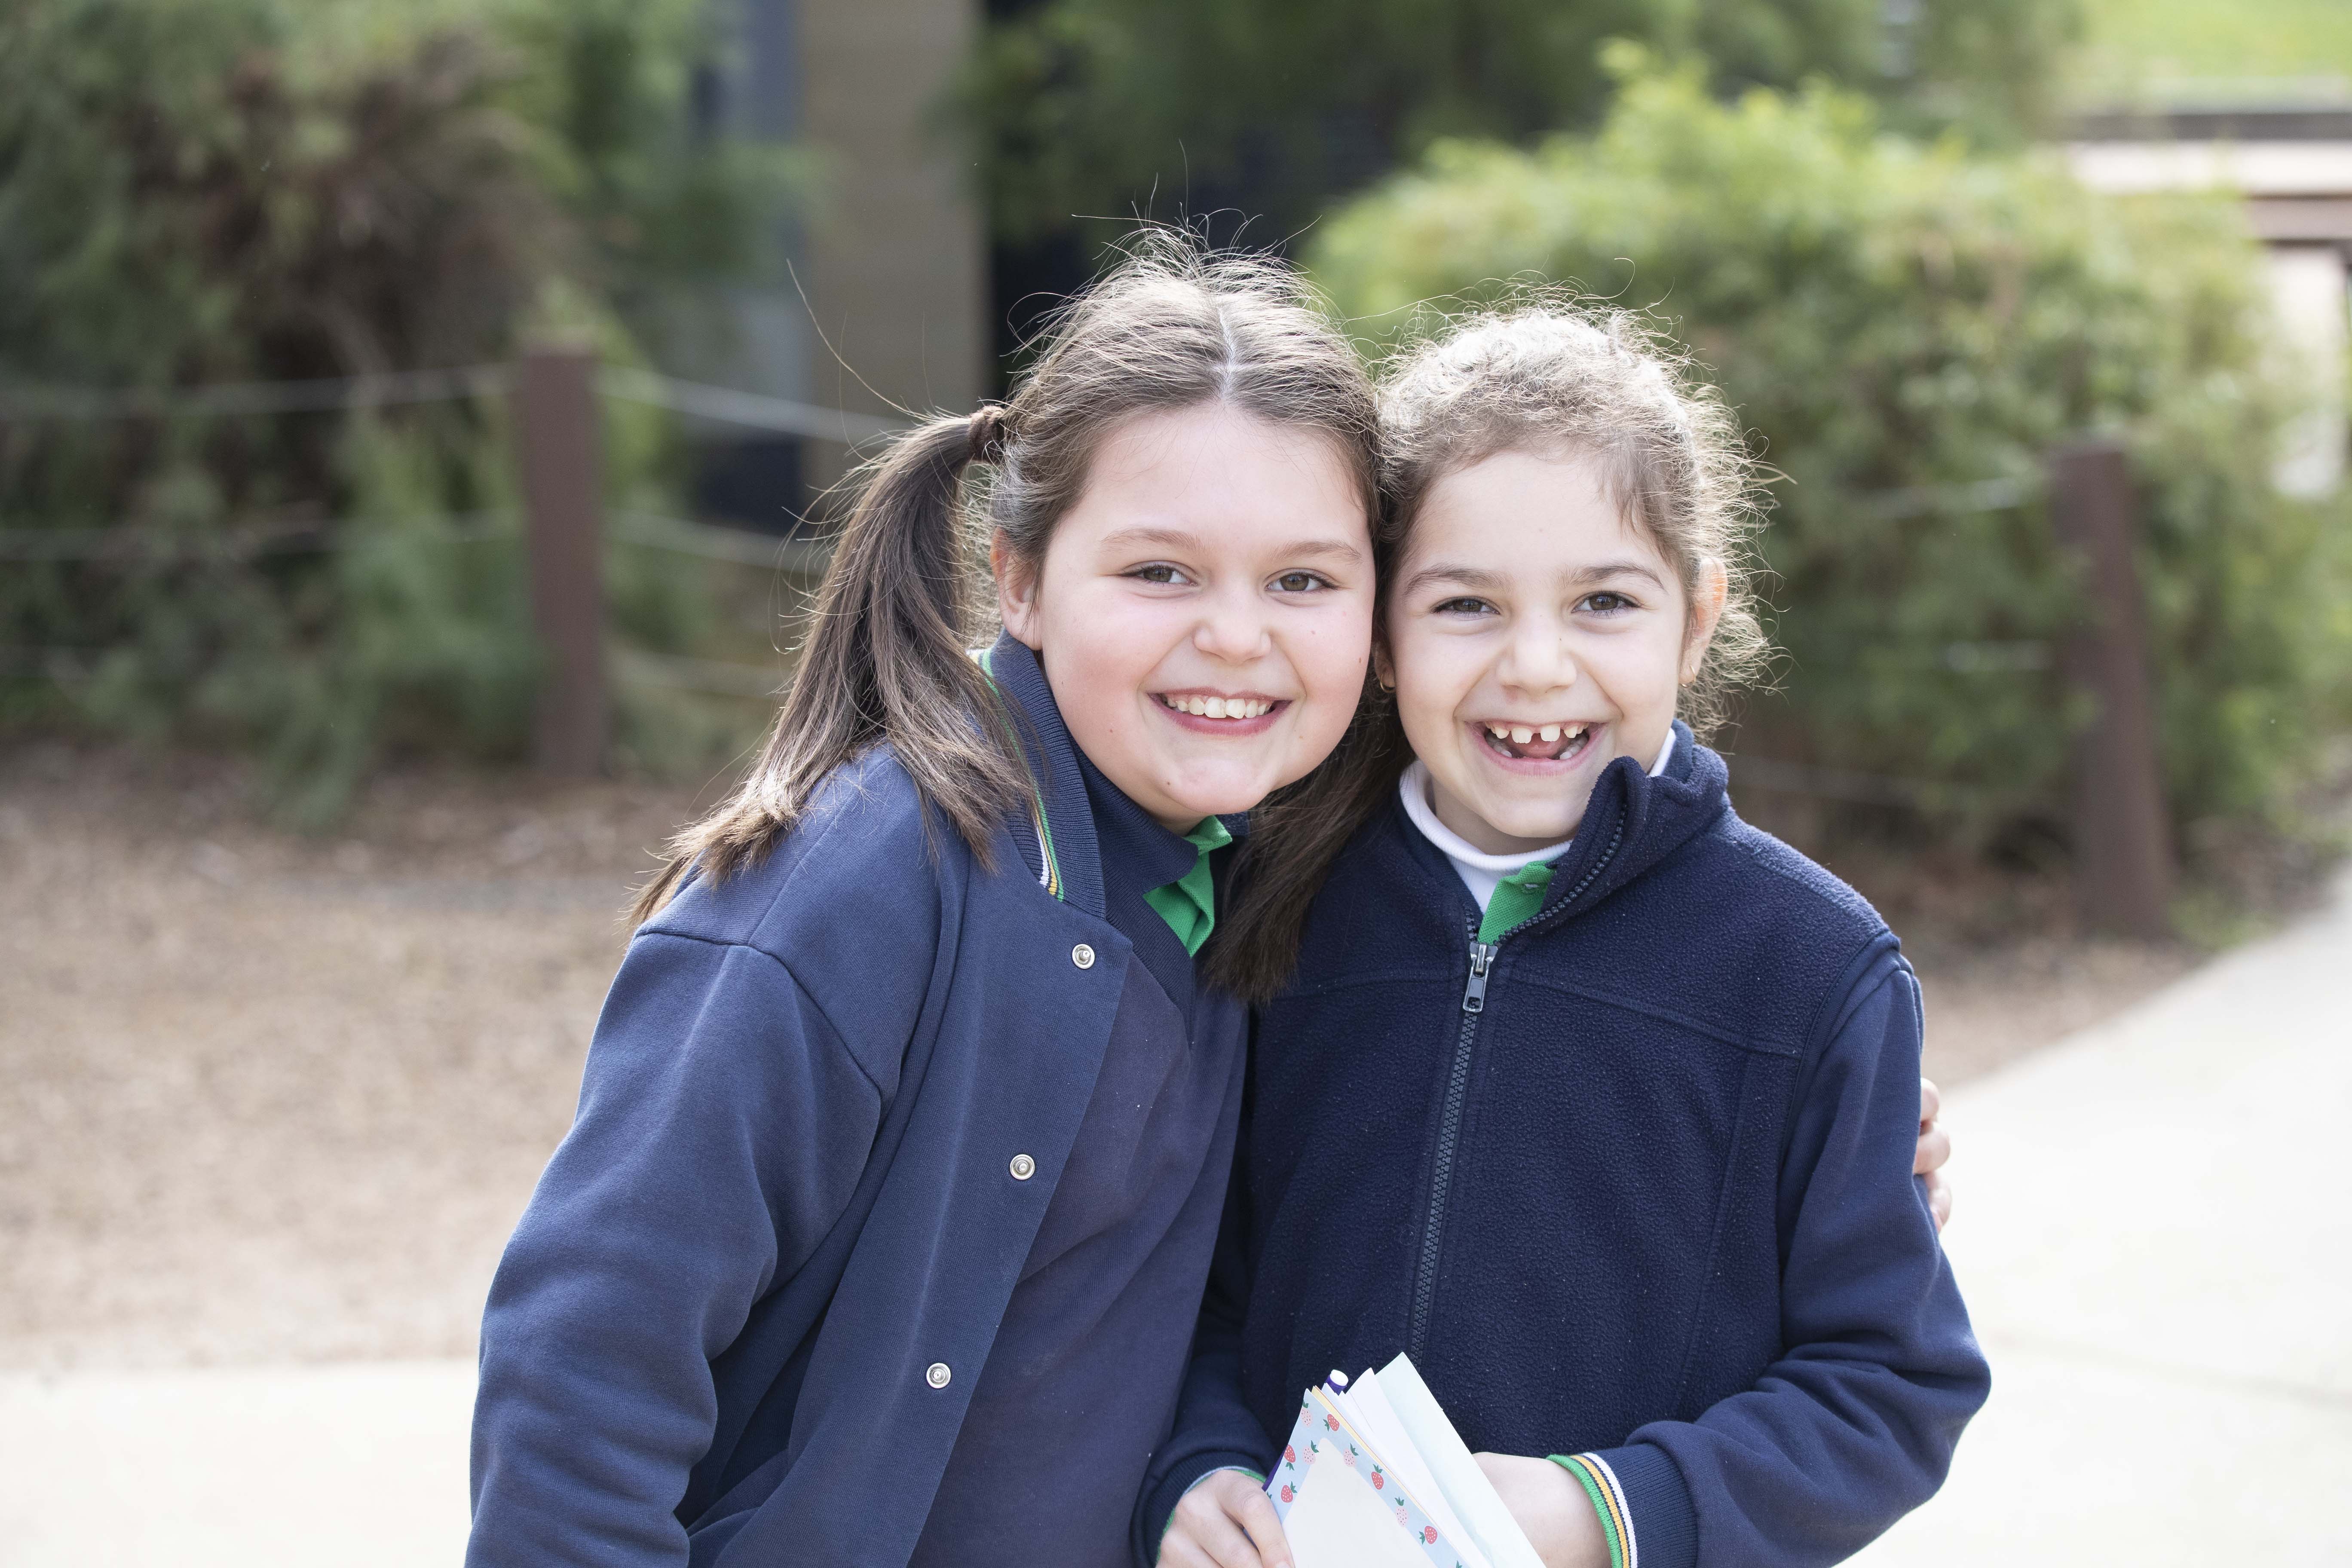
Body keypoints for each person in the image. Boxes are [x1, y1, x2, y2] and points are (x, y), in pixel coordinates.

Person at [465, 242, 1389, 1567]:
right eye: (1160, 573)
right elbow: (586, 1357)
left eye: (1303, 580)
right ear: (1017, 577)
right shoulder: (867, 879)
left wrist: (1194, 1460)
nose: (1238, 636)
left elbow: (1145, 1306)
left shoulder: (1245, 867)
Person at [1150, 306, 1990, 1568]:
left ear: (1696, 618)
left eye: (1604, 602)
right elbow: (1192, 1278)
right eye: (1466, 607)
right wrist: (1197, 1464)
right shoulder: (1278, 901)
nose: (1537, 667)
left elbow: (1891, 1387)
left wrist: (1610, 1511)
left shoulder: (1811, 969)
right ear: (1383, 637)